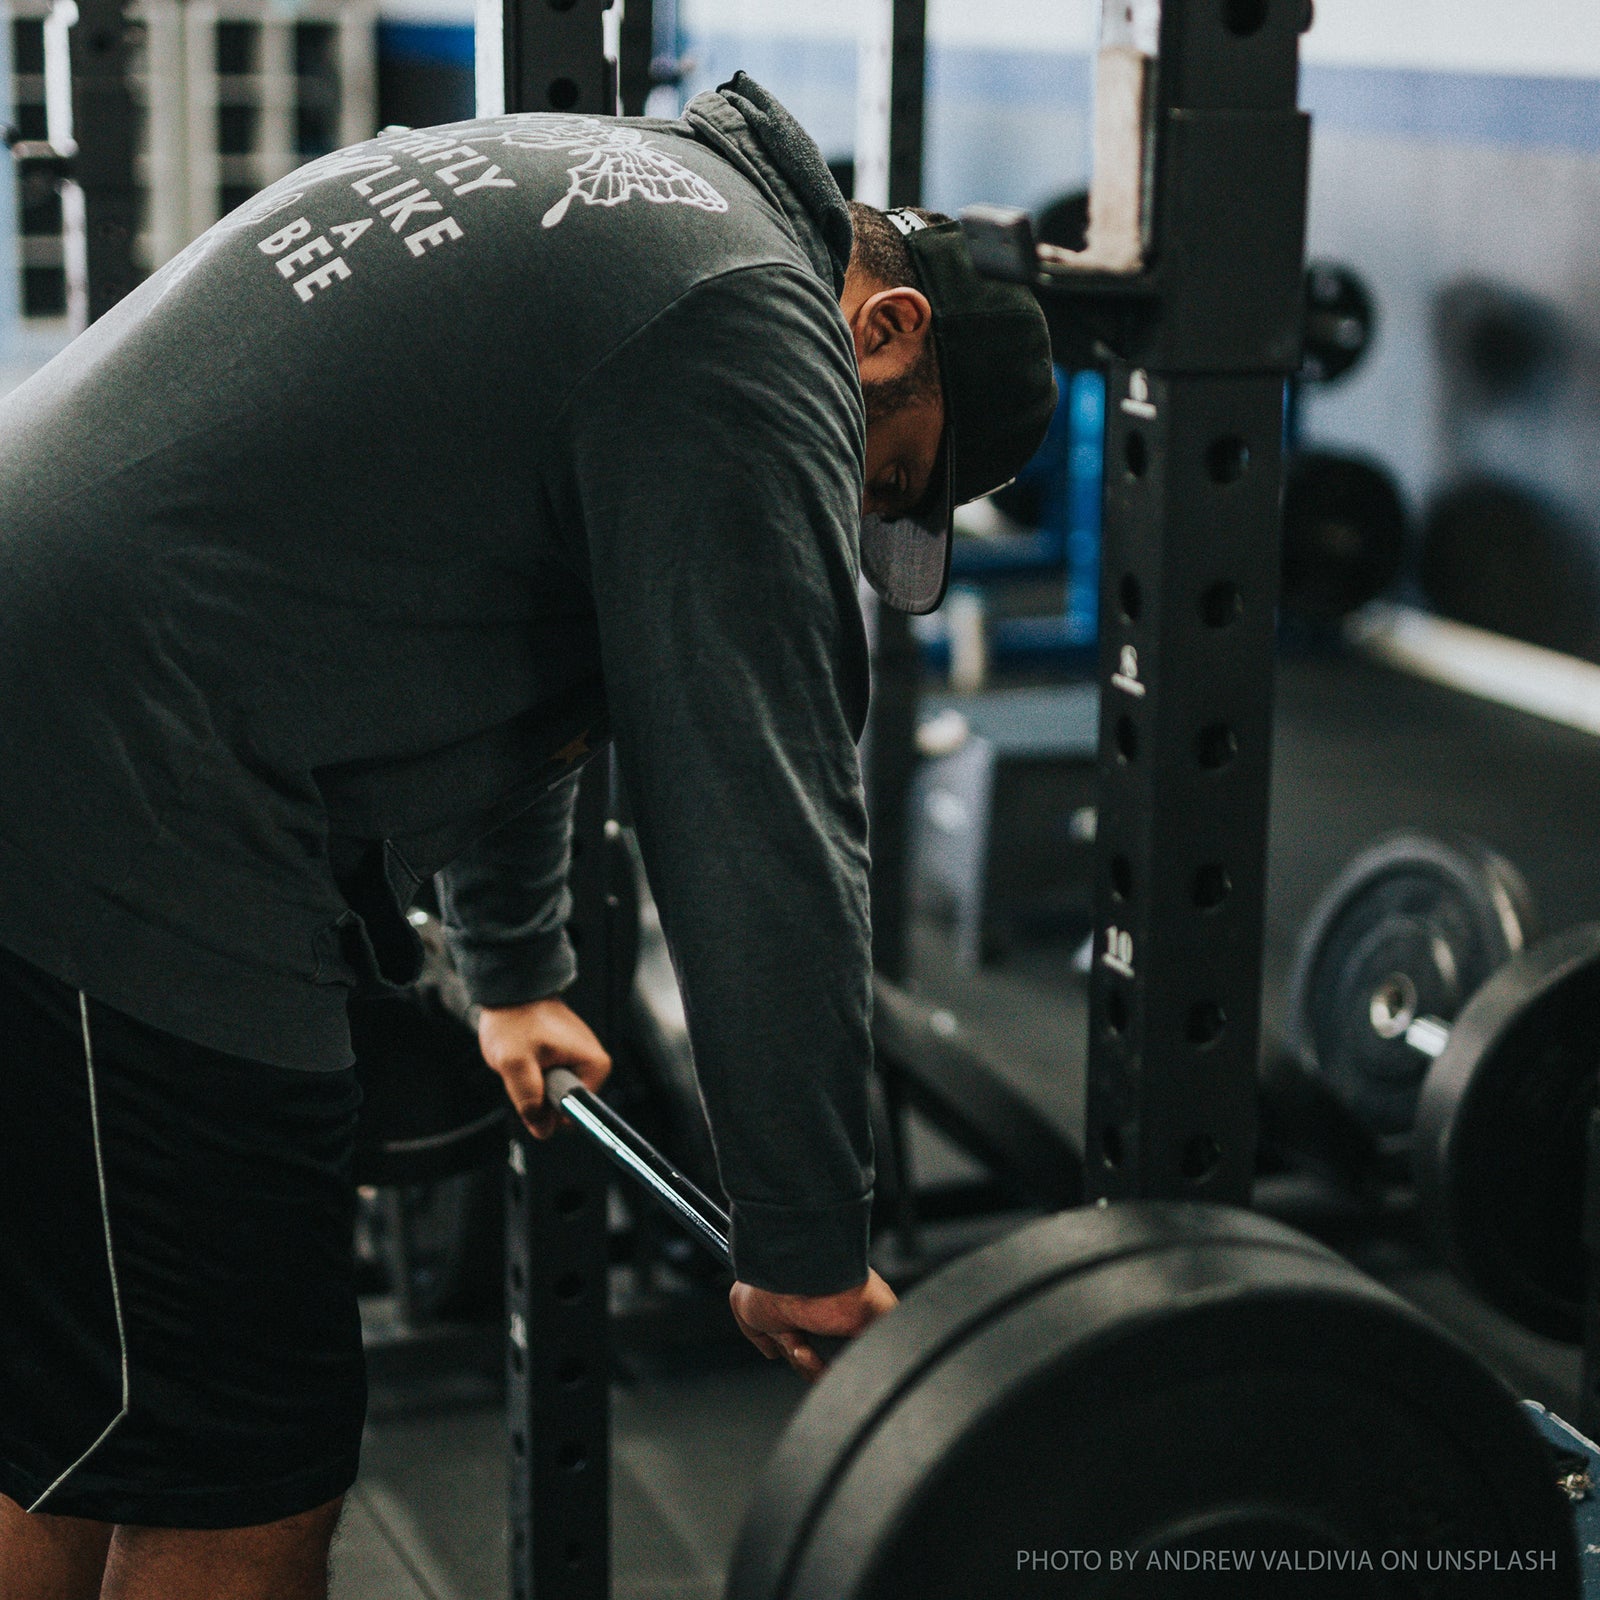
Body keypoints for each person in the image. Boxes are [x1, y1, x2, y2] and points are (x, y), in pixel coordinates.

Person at [0, 73, 1054, 1599]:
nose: (851, 497)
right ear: (882, 332)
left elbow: (536, 644)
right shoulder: (748, 329)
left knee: (86, 1419)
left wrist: (513, 973)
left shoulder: (622, 196)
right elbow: (762, 802)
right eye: (880, 473)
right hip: (130, 803)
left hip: (63, 726)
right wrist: (810, 1228)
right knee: (244, 1463)